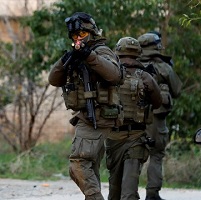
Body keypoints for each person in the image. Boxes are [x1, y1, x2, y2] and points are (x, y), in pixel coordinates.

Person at [48, 12, 123, 200]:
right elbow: (54, 79)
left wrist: (89, 56)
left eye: (81, 35)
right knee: (90, 167)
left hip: (99, 116)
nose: (78, 39)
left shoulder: (102, 51)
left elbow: (114, 75)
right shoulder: (76, 55)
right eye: (74, 36)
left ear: (91, 33)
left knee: (78, 164)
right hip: (87, 117)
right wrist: (67, 60)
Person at [106, 37, 162, 200]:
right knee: (128, 191)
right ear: (138, 53)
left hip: (113, 137)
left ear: (117, 52)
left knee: (114, 191)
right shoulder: (145, 76)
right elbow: (157, 103)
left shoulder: (108, 74)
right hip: (135, 136)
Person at [137, 32, 182, 200]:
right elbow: (177, 90)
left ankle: (128, 193)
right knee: (156, 155)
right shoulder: (163, 67)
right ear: (156, 46)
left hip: (133, 118)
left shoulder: (129, 65)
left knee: (134, 155)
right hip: (156, 119)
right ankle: (152, 194)